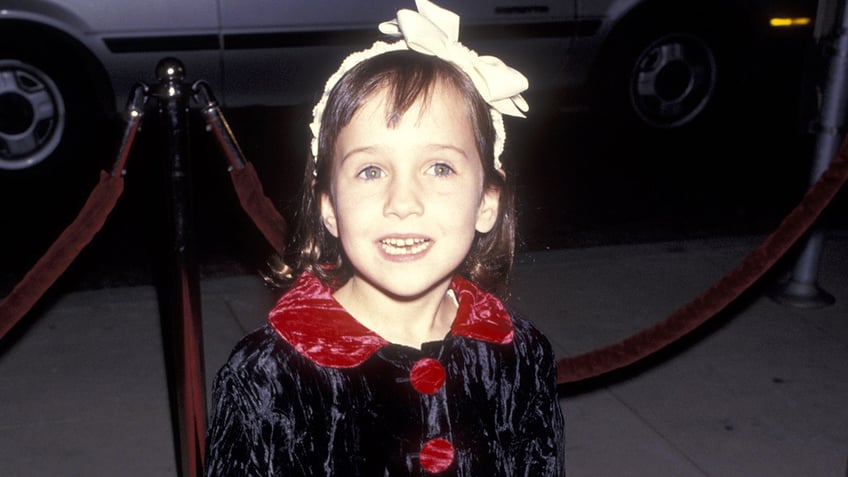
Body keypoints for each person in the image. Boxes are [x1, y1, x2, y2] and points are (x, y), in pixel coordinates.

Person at [204, 1, 565, 475]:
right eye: (371, 170)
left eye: (440, 168)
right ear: (329, 206)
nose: (402, 202)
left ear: (488, 201)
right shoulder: (271, 376)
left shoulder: (519, 353)